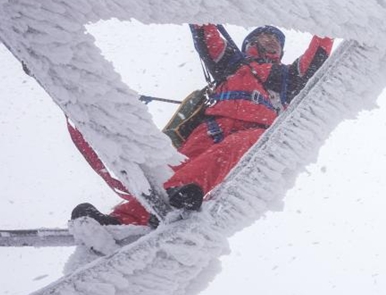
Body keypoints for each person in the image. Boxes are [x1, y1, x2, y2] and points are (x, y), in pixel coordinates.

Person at [72, 24, 333, 226]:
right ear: (250, 44)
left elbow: (317, 53)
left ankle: (181, 197)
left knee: (226, 154)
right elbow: (204, 28)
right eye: (265, 38)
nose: (271, 42)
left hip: (253, 132)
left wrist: (327, 19)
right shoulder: (230, 63)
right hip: (211, 127)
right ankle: (124, 219)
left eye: (276, 41)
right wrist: (200, 2)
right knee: (173, 168)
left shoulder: (286, 77)